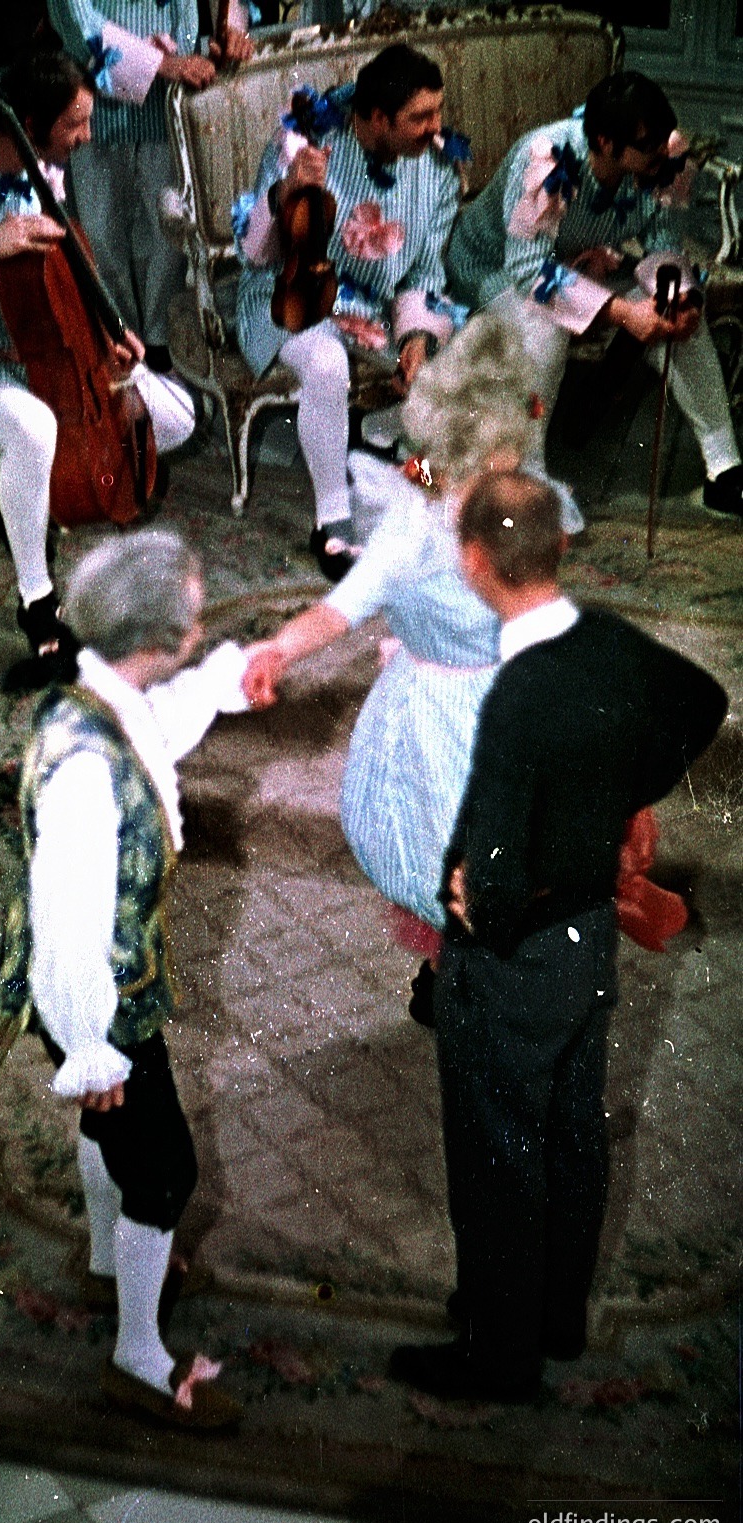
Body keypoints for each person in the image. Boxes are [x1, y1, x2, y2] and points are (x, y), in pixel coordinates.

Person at [387, 470, 727, 1403]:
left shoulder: (519, 696)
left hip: (518, 958)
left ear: (471, 561)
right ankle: (556, 1319)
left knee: (499, 1150)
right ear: (559, 547)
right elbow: (702, 703)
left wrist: (468, 907)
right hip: (588, 941)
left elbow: (492, 876)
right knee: (573, 1129)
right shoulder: (607, 641)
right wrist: (624, 796)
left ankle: (497, 1355)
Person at [242, 313, 583, 1015]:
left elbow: (442, 477)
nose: (515, 470)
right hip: (438, 717)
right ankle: (449, 981)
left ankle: (466, 975)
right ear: (471, 449)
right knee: (446, 854)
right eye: (504, 457)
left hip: (510, 696)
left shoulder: (483, 483)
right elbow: (341, 609)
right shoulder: (416, 529)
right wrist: (278, 648)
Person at [0, 529, 250, 1429]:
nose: (202, 609)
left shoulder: (101, 694)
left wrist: (226, 678)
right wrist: (93, 1051)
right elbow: (69, 922)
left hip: (101, 981)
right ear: (159, 632)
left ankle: (112, 1260)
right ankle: (137, 1359)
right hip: (93, 994)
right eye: (193, 603)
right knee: (165, 1172)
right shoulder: (86, 777)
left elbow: (157, 729)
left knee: (119, 1145)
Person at [0, 47, 196, 677]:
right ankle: (39, 606)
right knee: (34, 428)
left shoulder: (42, 167)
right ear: (26, 119)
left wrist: (112, 330)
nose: (87, 135)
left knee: (175, 417)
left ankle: (6, 488)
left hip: (37, 346)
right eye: (76, 123)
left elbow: (67, 268)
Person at [446, 69, 743, 517]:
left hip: (579, 259)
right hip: (493, 271)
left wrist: (681, 298)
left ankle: (725, 469)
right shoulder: (546, 158)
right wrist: (624, 312)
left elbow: (661, 239)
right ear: (604, 142)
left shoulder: (660, 155)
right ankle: (529, 477)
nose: (663, 152)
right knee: (546, 323)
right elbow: (528, 270)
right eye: (648, 145)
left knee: (683, 323)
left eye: (664, 139)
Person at [233, 43, 466, 579]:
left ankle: (421, 483)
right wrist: (289, 186)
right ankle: (333, 518)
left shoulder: (436, 169)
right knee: (326, 363)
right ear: (378, 119)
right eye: (421, 117)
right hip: (288, 293)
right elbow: (254, 252)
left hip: (375, 309)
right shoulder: (308, 135)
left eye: (438, 112)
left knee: (449, 357)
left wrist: (416, 339)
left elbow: (423, 274)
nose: (436, 128)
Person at [47, 1, 254, 369]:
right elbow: (76, 23)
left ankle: (162, 363)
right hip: (95, 111)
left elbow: (200, 14)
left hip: (168, 109)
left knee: (167, 246)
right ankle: (119, 360)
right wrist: (162, 64)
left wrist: (215, 40)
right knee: (102, 241)